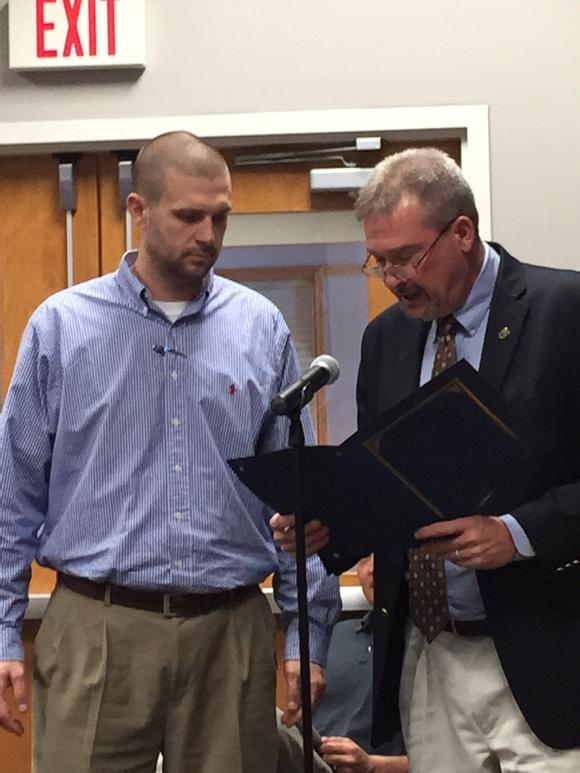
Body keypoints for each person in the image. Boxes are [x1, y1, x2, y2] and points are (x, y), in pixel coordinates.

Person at [0, 131, 340, 773]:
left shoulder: (260, 326)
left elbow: (300, 503)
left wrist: (305, 635)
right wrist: (3, 632)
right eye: (189, 216)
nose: (208, 233)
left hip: (230, 629)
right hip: (96, 628)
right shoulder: (62, 326)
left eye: (221, 217)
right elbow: (12, 496)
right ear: (138, 211)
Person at [272, 147, 580, 772]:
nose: (392, 278)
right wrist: (326, 525)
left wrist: (516, 534)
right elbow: (389, 487)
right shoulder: (386, 339)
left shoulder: (563, 311)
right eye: (378, 260)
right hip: (427, 654)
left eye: (407, 257)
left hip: (542, 653)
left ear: (461, 232)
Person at [277, 554, 408, 773]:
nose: (373, 569)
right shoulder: (331, 638)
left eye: (385, 554)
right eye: (364, 558)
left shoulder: (432, 653)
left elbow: (452, 760)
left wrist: (373, 766)